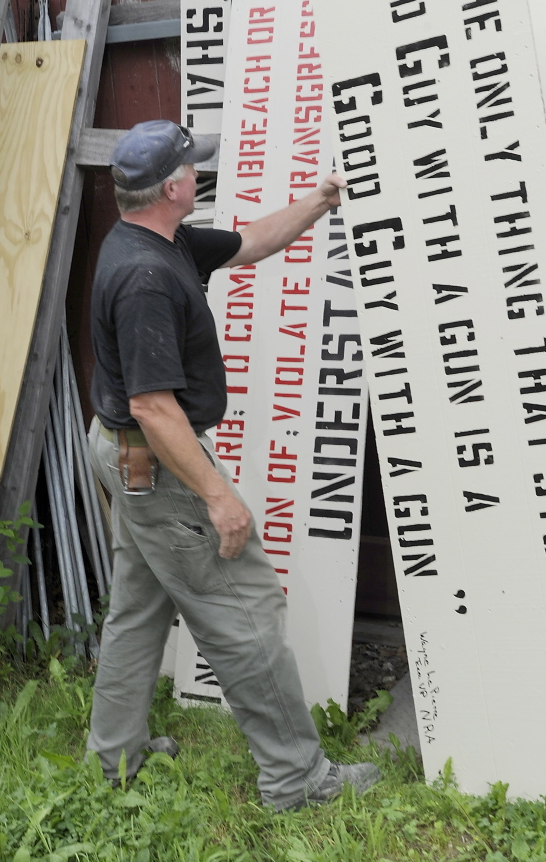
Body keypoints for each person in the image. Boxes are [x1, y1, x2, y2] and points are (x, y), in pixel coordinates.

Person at [86, 119, 380, 811]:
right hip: (154, 458)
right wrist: (218, 496)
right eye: (194, 168)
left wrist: (320, 198)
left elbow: (251, 243)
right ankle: (296, 777)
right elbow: (156, 408)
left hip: (124, 450)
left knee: (138, 604)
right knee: (244, 609)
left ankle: (116, 757)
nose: (200, 175)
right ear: (173, 187)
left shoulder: (161, 237)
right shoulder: (145, 277)